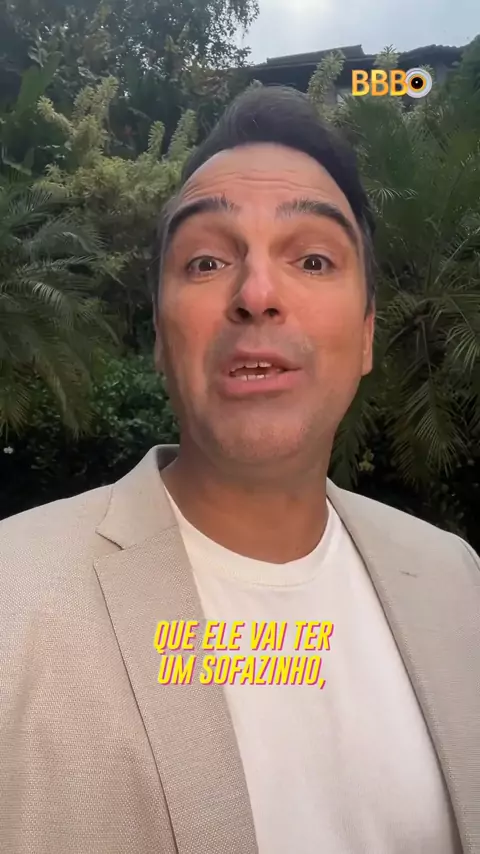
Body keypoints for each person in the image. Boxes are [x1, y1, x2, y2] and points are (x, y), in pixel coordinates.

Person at [0, 85, 479, 854]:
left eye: (313, 259)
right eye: (207, 261)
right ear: (160, 339)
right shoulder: (13, 600)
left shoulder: (456, 580)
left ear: (365, 335)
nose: (257, 294)